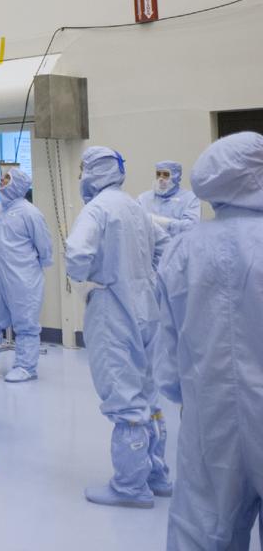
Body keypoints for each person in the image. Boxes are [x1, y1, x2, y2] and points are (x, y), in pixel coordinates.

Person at [154, 132, 263, 550]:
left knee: (202, 527)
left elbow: (168, 356)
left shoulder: (183, 249)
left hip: (209, 417)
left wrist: (190, 394)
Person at [65, 146, 170, 509]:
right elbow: (165, 245)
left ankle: (130, 486)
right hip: (146, 306)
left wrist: (86, 279)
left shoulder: (97, 210)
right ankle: (156, 474)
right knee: (147, 392)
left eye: (83, 170)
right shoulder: (134, 206)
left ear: (93, 173)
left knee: (124, 398)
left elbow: (77, 254)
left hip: (113, 309)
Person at [0, 167, 54, 382]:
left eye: (7, 178)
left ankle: (26, 367)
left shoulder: (30, 212)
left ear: (18, 184)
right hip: (0, 276)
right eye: (2, 177)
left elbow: (44, 246)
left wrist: (35, 268)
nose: (1, 180)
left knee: (25, 322)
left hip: (24, 277)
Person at [137, 160, 201, 237]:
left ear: (176, 177)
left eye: (165, 174)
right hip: (151, 248)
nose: (160, 178)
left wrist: (165, 223)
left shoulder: (189, 198)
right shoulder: (143, 199)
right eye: (158, 174)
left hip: (178, 247)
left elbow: (192, 226)